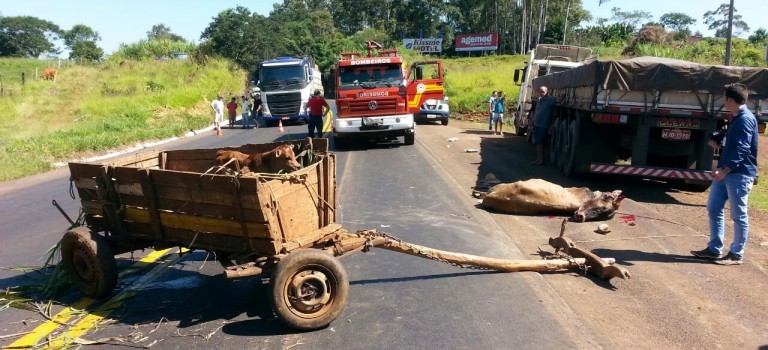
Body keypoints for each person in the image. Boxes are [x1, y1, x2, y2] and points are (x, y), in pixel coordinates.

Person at [691, 83, 759, 265]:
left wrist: (724, 169)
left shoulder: (745, 119)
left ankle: (736, 254)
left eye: (724, 98)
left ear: (729, 99)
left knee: (738, 215)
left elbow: (743, 149)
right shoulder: (736, 117)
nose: (724, 102)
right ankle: (714, 248)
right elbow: (735, 144)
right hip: (725, 173)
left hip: (738, 174)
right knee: (714, 208)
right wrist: (720, 144)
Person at [531, 86, 557, 165]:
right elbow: (537, 111)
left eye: (543, 91)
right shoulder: (539, 100)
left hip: (543, 125)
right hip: (537, 124)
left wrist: (562, 97)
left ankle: (541, 159)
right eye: (540, 91)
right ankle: (538, 159)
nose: (541, 93)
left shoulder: (550, 99)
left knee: (540, 143)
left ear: (547, 92)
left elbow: (558, 100)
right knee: (537, 143)